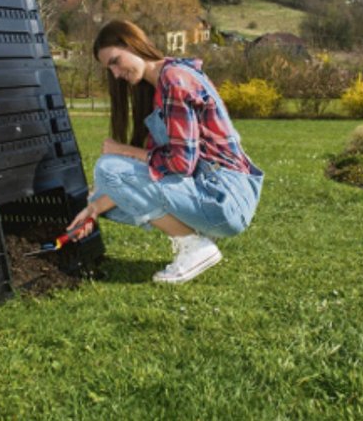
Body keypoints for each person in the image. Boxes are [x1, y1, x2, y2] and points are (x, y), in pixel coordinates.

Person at [67, 19, 264, 284]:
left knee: (108, 167)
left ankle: (194, 246)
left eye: (115, 61)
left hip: (224, 196)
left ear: (132, 44)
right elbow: (155, 172)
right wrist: (94, 208)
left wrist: (122, 150)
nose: (115, 74)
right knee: (107, 192)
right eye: (108, 68)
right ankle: (197, 238)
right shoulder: (158, 86)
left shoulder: (175, 79)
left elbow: (181, 163)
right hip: (212, 193)